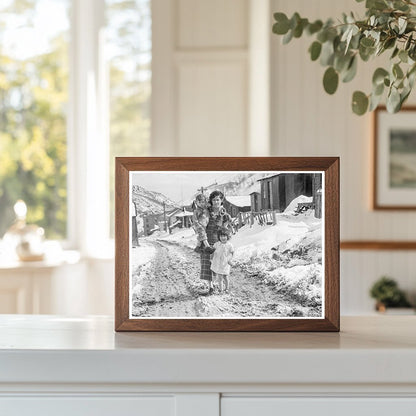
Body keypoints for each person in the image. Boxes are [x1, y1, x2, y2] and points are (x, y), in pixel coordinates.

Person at [200, 190, 232, 294]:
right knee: (208, 265)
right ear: (211, 201)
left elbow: (225, 229)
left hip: (219, 242)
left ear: (221, 200)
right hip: (208, 241)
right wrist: (205, 243)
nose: (216, 202)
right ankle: (211, 287)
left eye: (218, 199)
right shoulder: (207, 212)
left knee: (220, 264)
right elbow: (202, 227)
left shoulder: (224, 213)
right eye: (214, 200)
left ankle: (220, 286)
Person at [210, 227, 234, 293]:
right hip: (218, 263)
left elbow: (232, 253)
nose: (223, 238)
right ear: (219, 237)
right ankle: (221, 290)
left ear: (227, 237)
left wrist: (229, 259)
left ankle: (227, 288)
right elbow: (213, 251)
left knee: (225, 277)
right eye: (221, 236)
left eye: (224, 236)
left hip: (225, 263)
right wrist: (211, 257)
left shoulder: (229, 245)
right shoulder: (217, 244)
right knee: (220, 277)